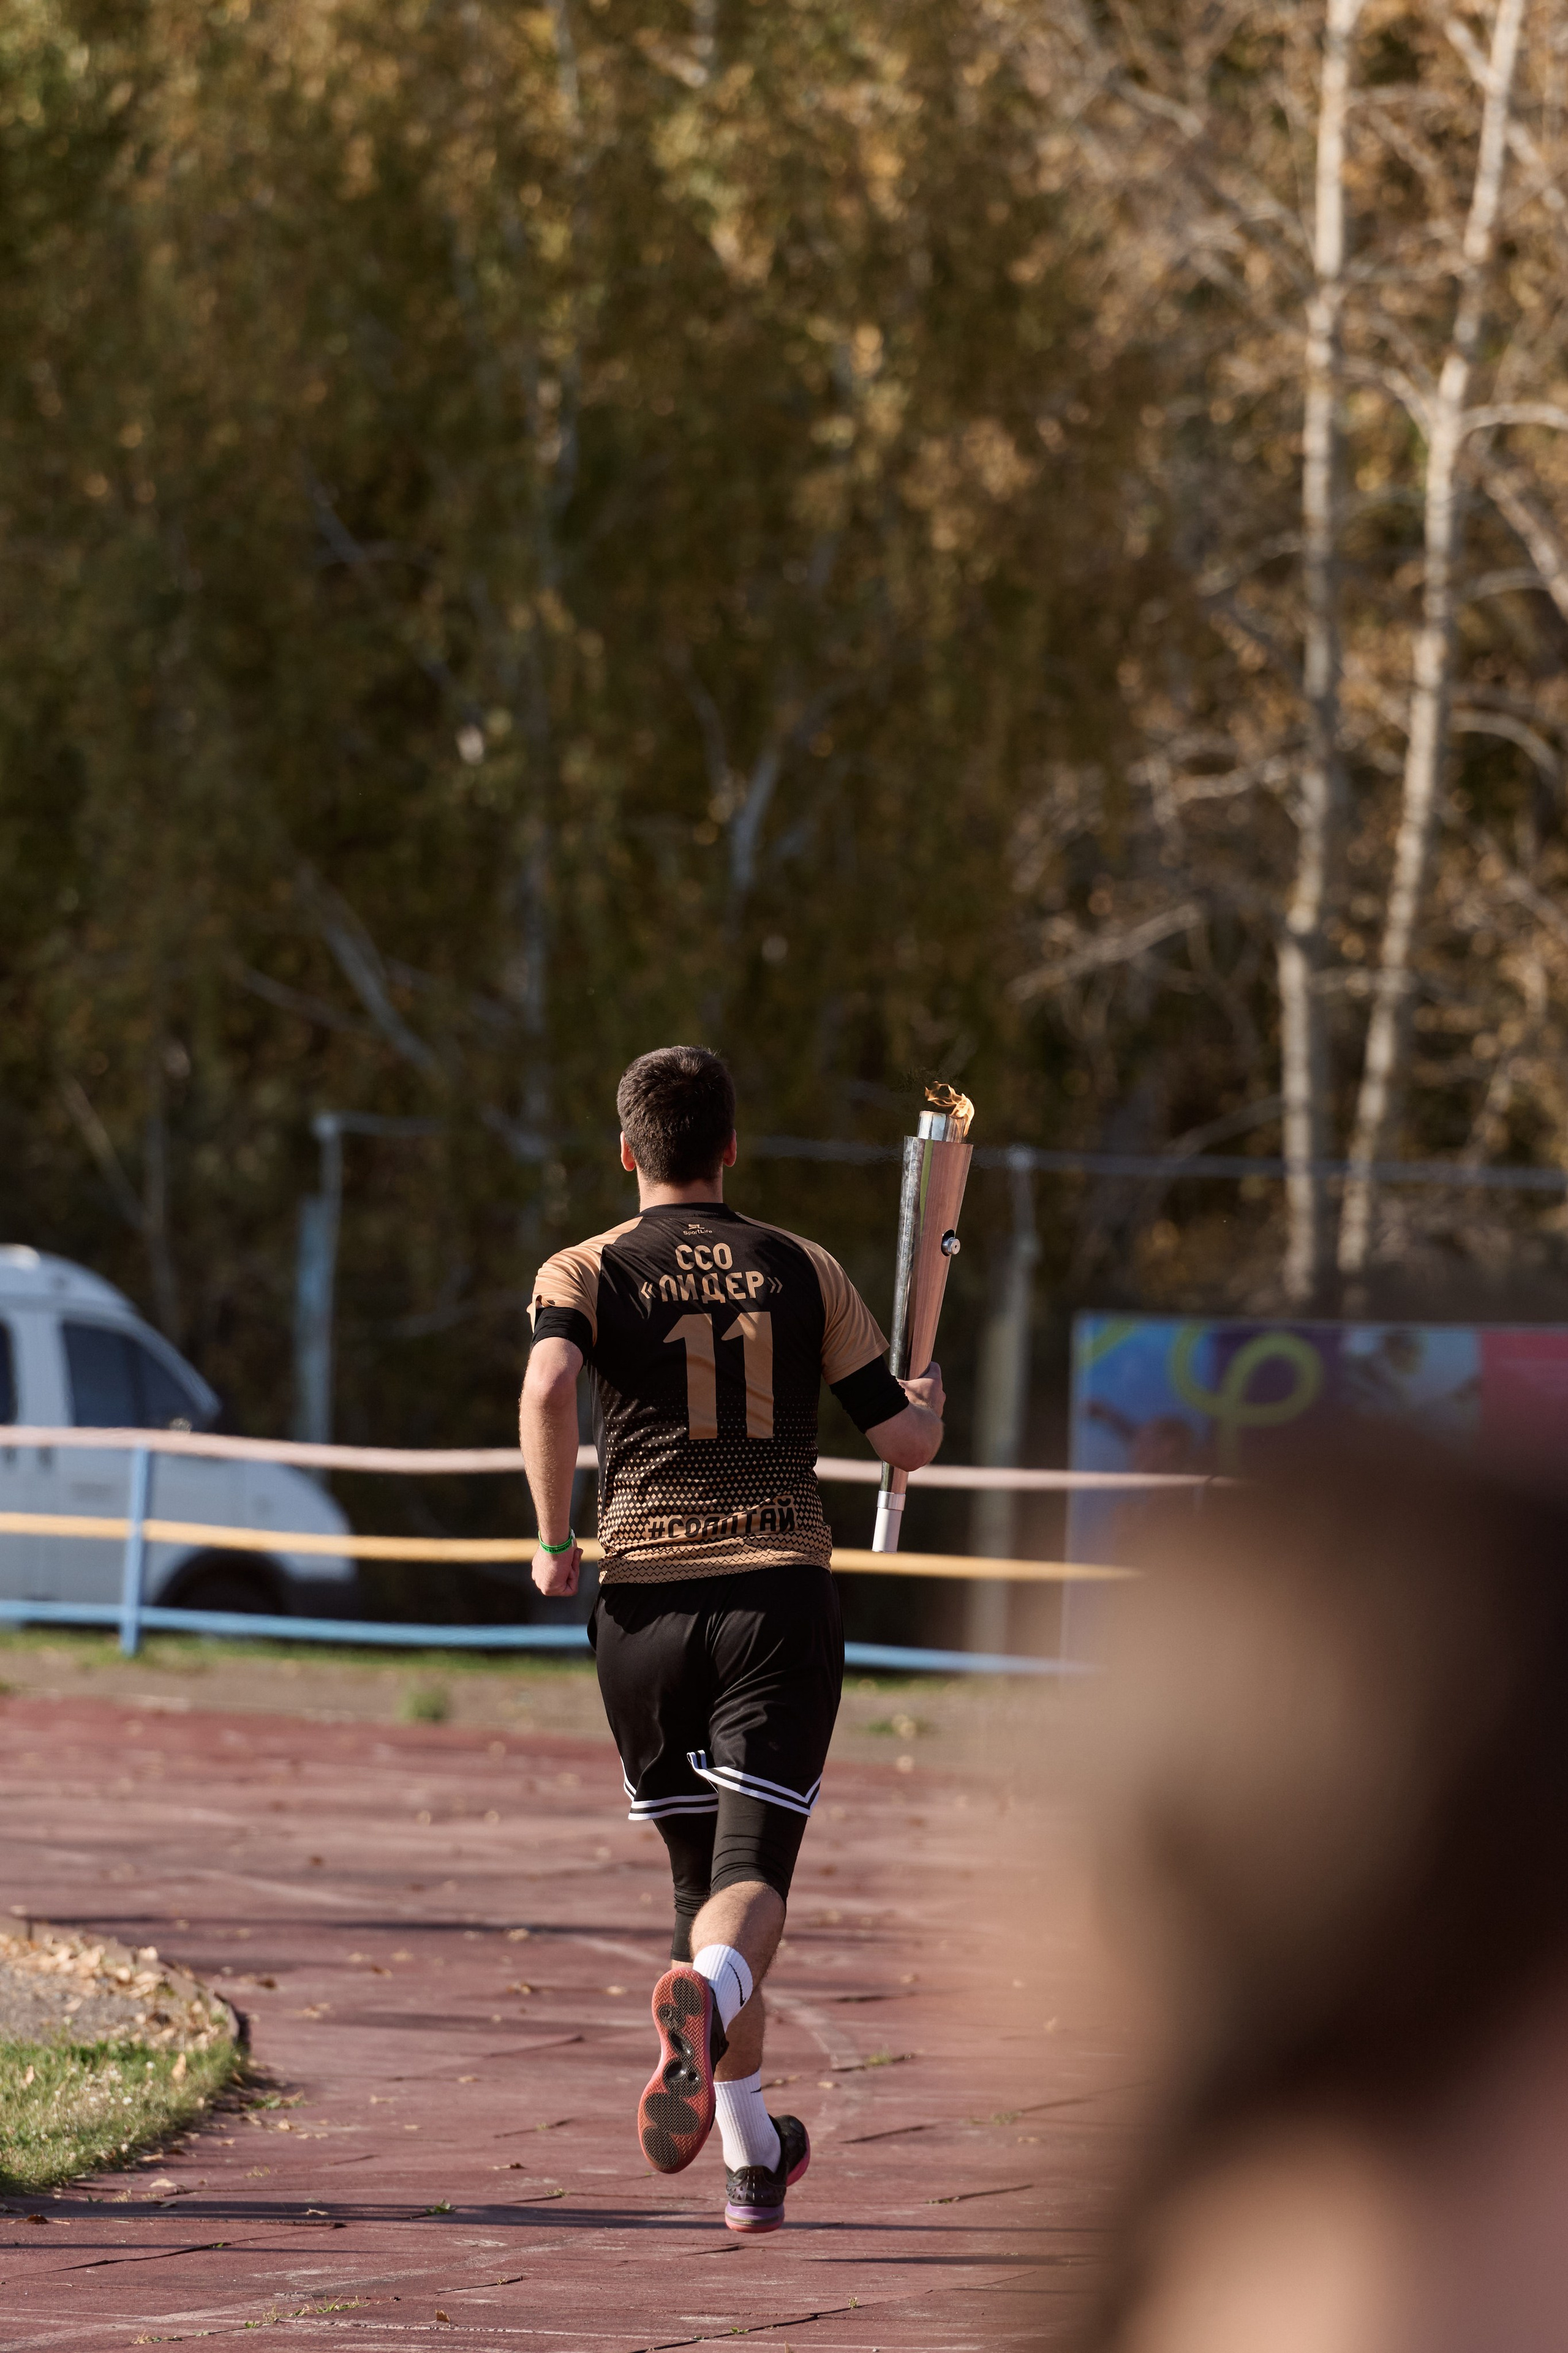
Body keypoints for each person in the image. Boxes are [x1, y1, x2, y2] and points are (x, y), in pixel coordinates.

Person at [519, 1045, 944, 2235]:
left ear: (626, 1150)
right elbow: (902, 1444)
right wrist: (926, 1406)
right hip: (772, 1598)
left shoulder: (583, 1264)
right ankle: (705, 1998)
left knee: (701, 1885)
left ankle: (752, 2157)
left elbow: (549, 1389)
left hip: (641, 1606)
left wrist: (552, 1536)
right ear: (731, 1148)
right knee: (750, 1881)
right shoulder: (804, 1265)